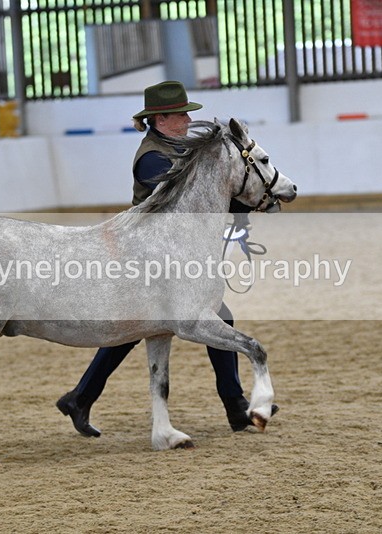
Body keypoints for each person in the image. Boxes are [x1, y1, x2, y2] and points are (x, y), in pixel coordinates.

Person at [56, 80, 256, 438]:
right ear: (160, 119)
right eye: (181, 115)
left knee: (138, 329)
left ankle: (81, 397)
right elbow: (180, 202)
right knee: (189, 321)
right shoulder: (151, 157)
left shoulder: (176, 146)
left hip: (169, 253)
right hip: (146, 254)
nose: (187, 120)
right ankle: (236, 406)